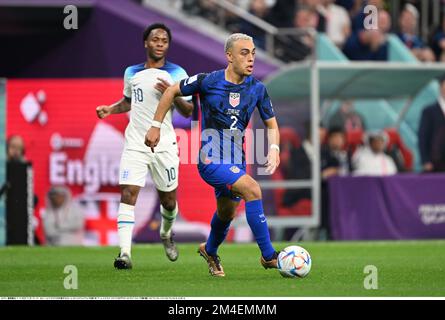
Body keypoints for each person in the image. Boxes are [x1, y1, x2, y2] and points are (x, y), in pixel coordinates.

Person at [145, 33, 281, 277]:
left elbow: (272, 124)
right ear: (229, 56)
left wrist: (274, 149)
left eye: (253, 53)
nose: (250, 59)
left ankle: (210, 250)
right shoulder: (208, 81)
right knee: (253, 189)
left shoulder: (258, 89)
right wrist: (155, 126)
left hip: (236, 161)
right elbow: (171, 92)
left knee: (226, 213)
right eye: (244, 53)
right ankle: (268, 256)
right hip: (210, 160)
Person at [96, 23, 194, 269]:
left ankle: (165, 233)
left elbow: (189, 111)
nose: (160, 43)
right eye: (155, 39)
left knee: (168, 202)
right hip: (136, 144)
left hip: (165, 145)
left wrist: (173, 93)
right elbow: (129, 101)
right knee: (128, 194)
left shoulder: (177, 73)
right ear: (146, 43)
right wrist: (111, 109)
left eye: (164, 40)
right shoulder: (131, 72)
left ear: (168, 45)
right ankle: (125, 254)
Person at [418, 75, 445, 172]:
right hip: (435, 163)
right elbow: (423, 136)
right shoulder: (429, 111)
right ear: (440, 87)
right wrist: (425, 160)